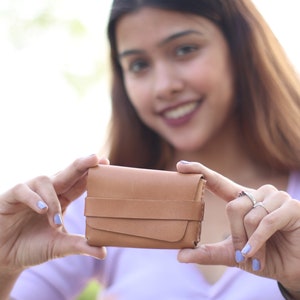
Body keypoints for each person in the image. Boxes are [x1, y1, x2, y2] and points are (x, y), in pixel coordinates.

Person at [1, 0, 300, 299]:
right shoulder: (89, 204)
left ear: (241, 49)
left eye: (185, 49)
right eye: (139, 65)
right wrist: (4, 264)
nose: (163, 87)